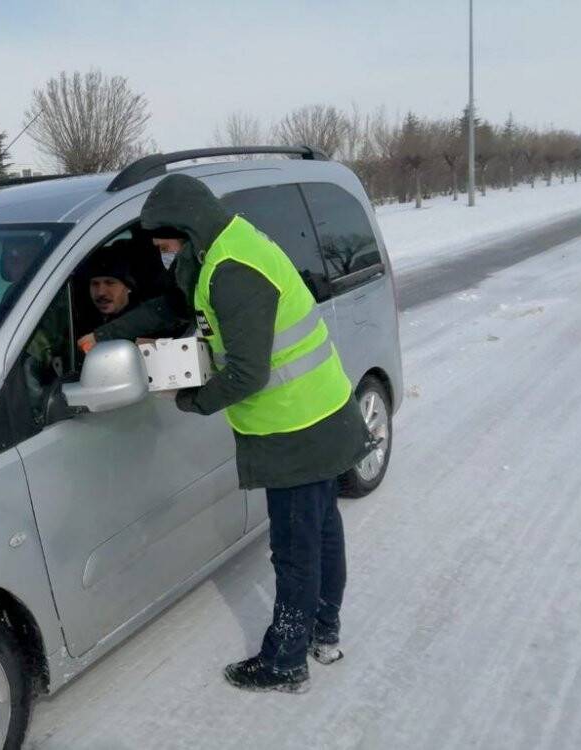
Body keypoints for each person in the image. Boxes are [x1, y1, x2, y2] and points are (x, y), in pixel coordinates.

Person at [80, 174, 371, 694]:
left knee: (296, 547)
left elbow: (247, 373)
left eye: (164, 239)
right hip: (315, 410)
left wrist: (193, 400)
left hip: (297, 425)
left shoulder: (233, 270)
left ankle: (285, 662)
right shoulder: (217, 247)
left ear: (185, 227)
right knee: (321, 529)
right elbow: (172, 306)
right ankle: (323, 632)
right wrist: (105, 334)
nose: (162, 250)